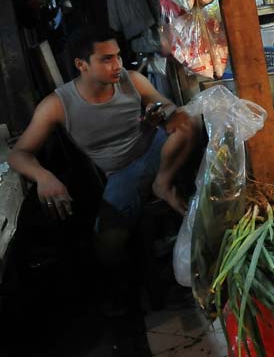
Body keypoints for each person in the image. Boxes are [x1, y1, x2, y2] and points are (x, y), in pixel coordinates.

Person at [8, 28, 200, 312]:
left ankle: (164, 183)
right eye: (107, 59)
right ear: (81, 64)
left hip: (157, 149)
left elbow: (167, 106)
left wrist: (162, 112)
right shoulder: (57, 105)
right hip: (122, 172)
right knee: (106, 248)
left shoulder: (132, 81)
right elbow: (18, 153)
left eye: (119, 57)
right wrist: (43, 177)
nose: (118, 65)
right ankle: (130, 299)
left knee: (189, 121)